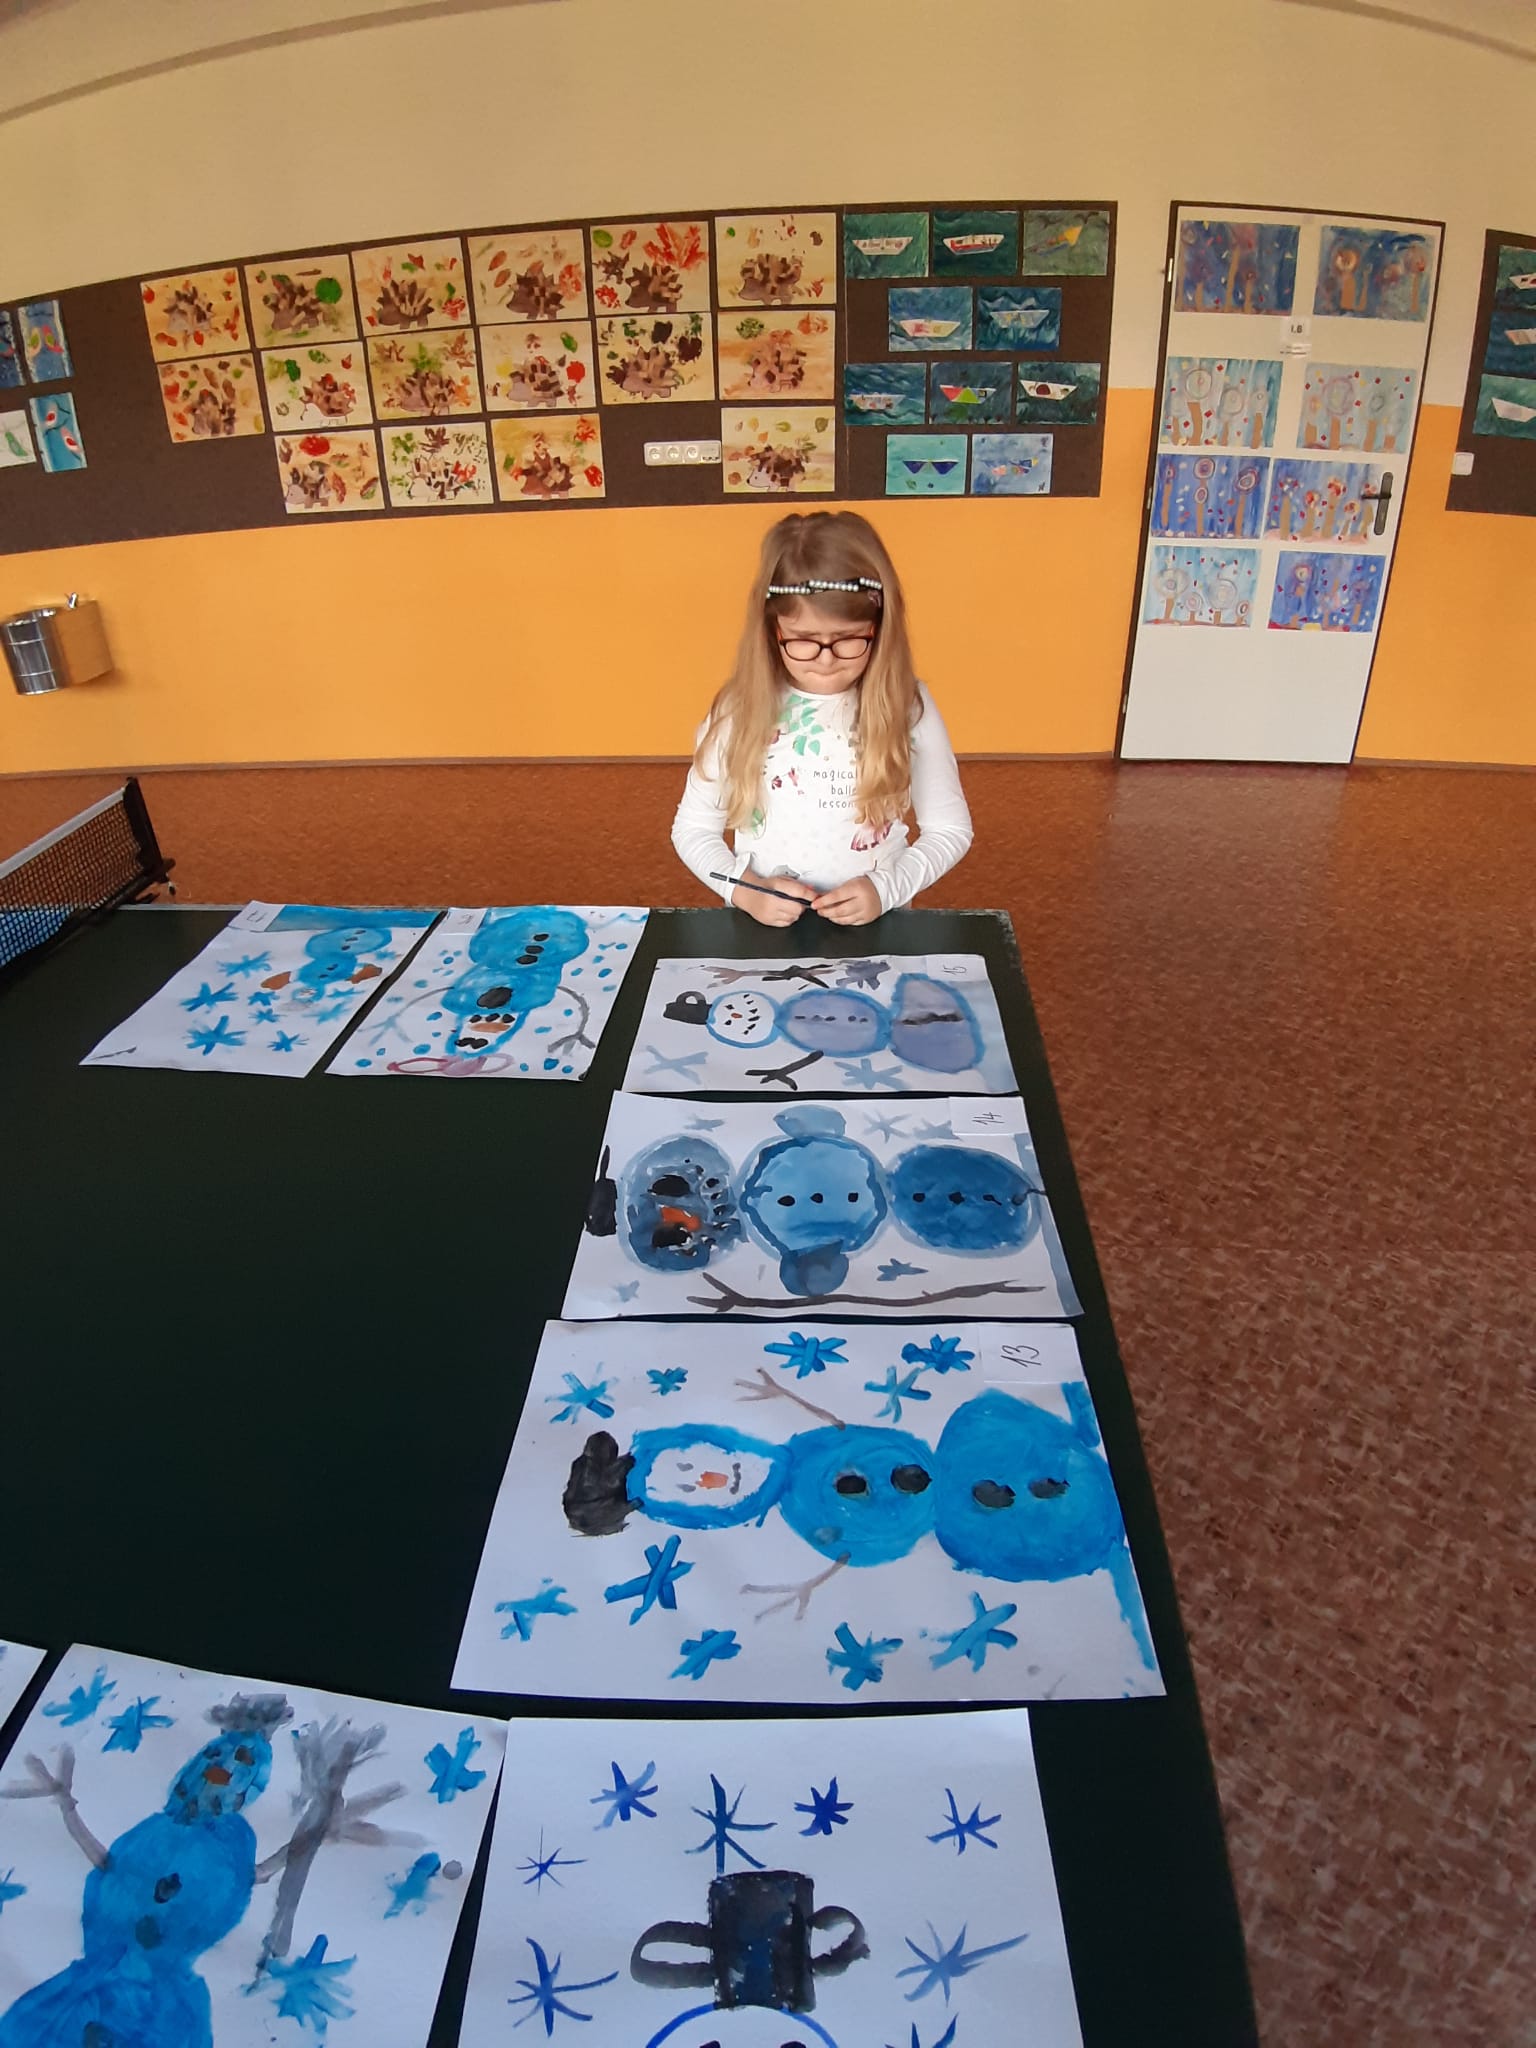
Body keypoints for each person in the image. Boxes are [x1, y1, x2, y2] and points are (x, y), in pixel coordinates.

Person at [671, 511, 973, 926]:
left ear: (880, 628)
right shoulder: (738, 709)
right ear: (772, 630)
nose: (826, 660)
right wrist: (746, 892)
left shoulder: (907, 705)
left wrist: (887, 888)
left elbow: (950, 829)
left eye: (848, 639)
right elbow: (693, 830)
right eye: (803, 641)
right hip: (763, 931)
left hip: (877, 929)